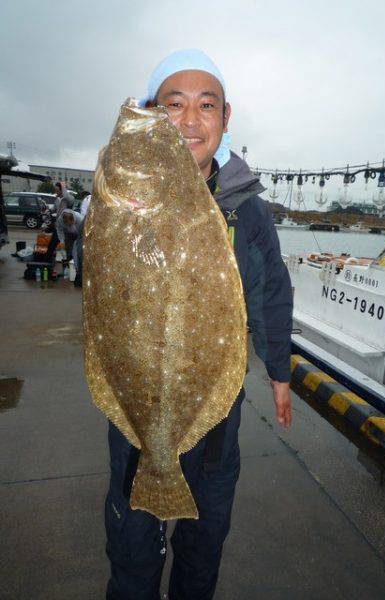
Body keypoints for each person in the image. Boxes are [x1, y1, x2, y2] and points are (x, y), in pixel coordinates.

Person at [105, 49, 293, 600]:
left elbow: (272, 293)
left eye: (205, 105)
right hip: (138, 413)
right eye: (174, 105)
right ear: (152, 113)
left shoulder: (249, 209)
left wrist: (279, 372)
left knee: (203, 543)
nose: (190, 119)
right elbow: (99, 291)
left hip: (215, 418)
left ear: (225, 118)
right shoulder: (122, 195)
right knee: (133, 551)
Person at [58, 208, 84, 287]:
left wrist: (79, 243)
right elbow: (59, 231)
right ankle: (68, 266)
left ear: (73, 220)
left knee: (78, 252)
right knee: (68, 251)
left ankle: (78, 269)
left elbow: (84, 232)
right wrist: (62, 241)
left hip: (80, 234)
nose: (69, 225)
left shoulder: (80, 219)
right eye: (67, 224)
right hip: (68, 235)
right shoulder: (60, 220)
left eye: (70, 224)